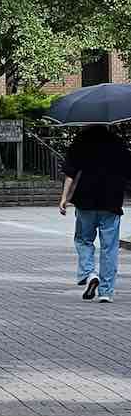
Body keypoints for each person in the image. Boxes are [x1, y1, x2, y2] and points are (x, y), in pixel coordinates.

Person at [59, 124, 130, 302]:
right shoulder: (118, 143)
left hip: (85, 201)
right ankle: (106, 292)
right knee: (109, 247)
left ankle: (90, 274)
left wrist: (64, 198)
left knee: (83, 240)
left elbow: (70, 174)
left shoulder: (80, 142)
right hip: (111, 202)